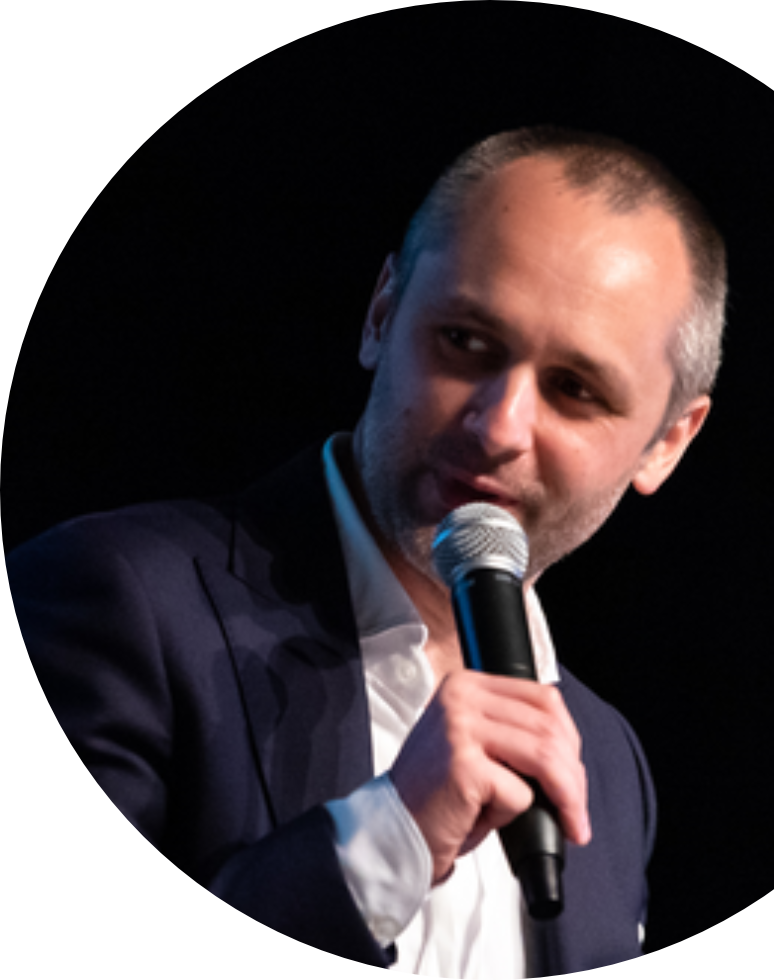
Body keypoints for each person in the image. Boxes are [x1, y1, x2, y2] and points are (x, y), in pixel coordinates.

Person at [8, 125, 726, 975]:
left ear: (667, 443)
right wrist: (388, 838)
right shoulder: (115, 603)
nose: (499, 427)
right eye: (465, 342)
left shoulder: (606, 760)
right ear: (382, 312)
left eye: (574, 390)